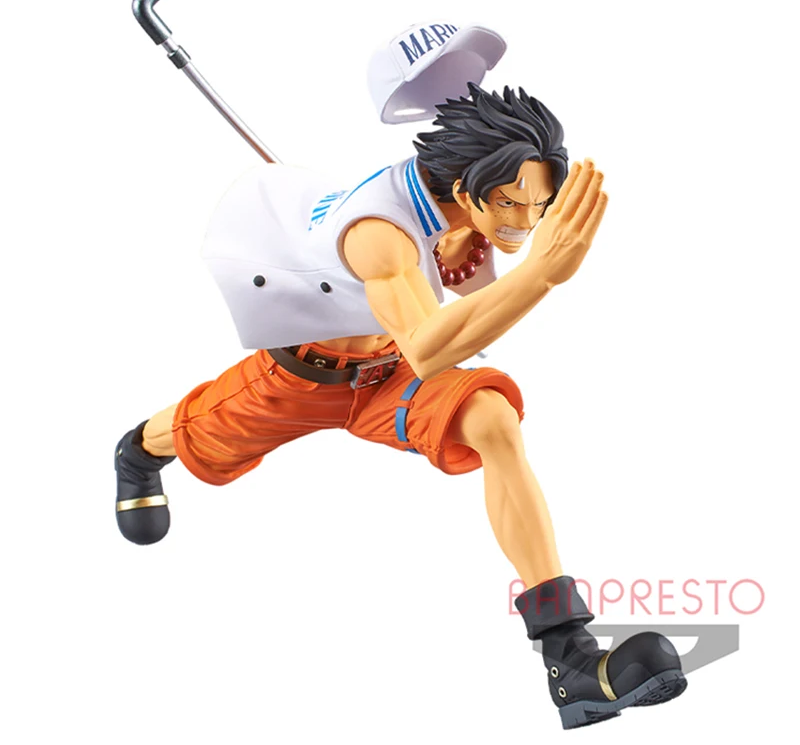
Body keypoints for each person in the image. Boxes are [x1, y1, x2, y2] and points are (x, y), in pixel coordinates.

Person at [114, 83, 687, 729]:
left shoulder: (454, 209)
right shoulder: (376, 233)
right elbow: (429, 348)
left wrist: (478, 247)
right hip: (304, 377)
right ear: (467, 187)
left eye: (539, 204)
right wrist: (542, 273)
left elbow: (422, 337)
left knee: (494, 420)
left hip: (389, 378)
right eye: (510, 202)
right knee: (197, 431)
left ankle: (570, 655)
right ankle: (135, 455)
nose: (526, 222)